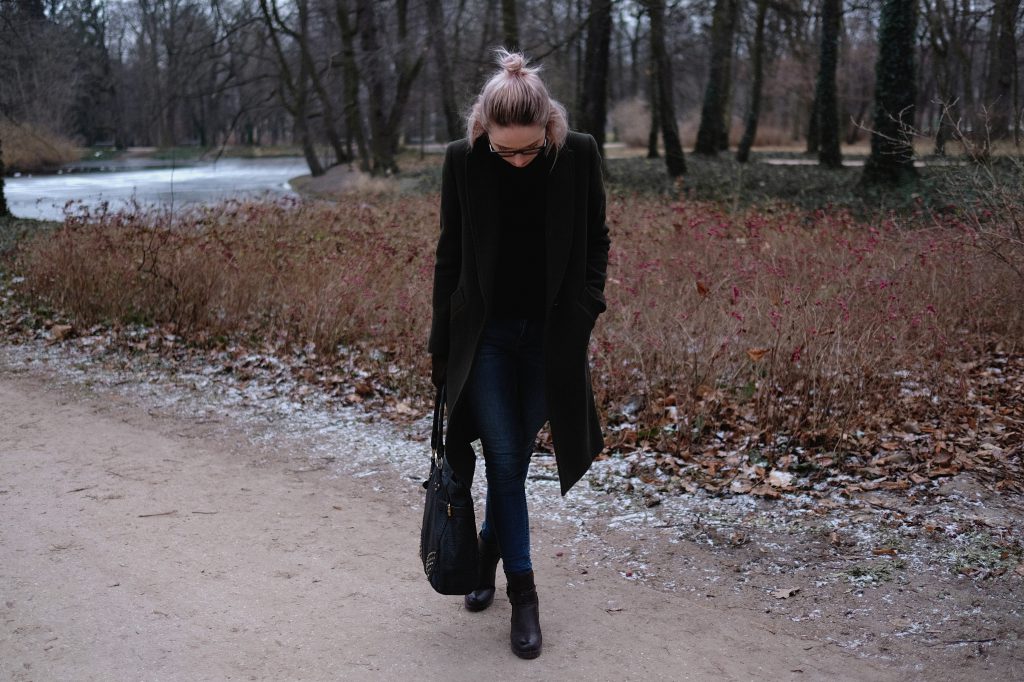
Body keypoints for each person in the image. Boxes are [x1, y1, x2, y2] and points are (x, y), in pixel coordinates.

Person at [428, 48, 610, 660]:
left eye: (530, 148)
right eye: (506, 150)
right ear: (483, 128)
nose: (518, 159)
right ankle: (524, 595)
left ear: (550, 126)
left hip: (551, 341)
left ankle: (486, 549)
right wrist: (439, 351)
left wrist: (587, 307)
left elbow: (597, 240)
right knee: (505, 461)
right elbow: (449, 259)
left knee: (516, 464)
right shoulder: (463, 162)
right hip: (485, 341)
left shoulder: (578, 154)